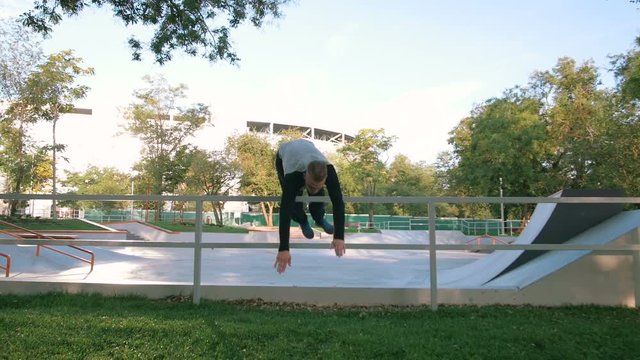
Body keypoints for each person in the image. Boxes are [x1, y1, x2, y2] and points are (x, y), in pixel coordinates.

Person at [274, 139, 346, 274]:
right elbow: (285, 210)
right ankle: (302, 221)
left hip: (307, 148)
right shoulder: (293, 176)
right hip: (284, 155)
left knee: (318, 195)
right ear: (305, 175)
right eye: (311, 185)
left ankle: (319, 218)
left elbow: (338, 202)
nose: (314, 189)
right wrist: (284, 248)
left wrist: (339, 236)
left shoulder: (329, 171)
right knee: (293, 201)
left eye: (319, 185)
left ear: (326, 178)